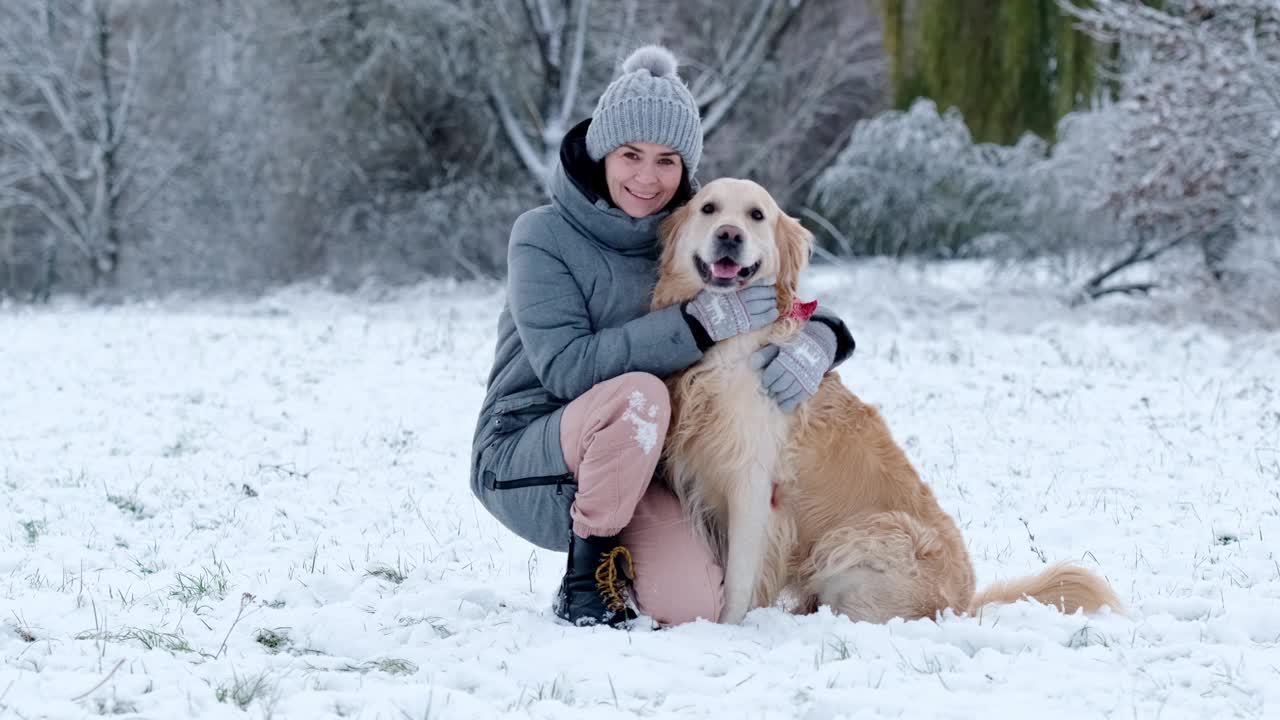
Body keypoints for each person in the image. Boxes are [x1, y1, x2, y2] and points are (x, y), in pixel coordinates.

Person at [470, 45, 855, 628]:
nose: (647, 178)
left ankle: (633, 565)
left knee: (693, 606)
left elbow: (774, 287)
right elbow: (568, 370)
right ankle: (584, 582)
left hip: (642, 458)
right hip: (531, 451)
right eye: (631, 155)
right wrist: (696, 324)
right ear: (603, 150)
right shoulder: (541, 237)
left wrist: (824, 336)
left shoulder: (691, 233)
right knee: (641, 395)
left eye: (667, 160)